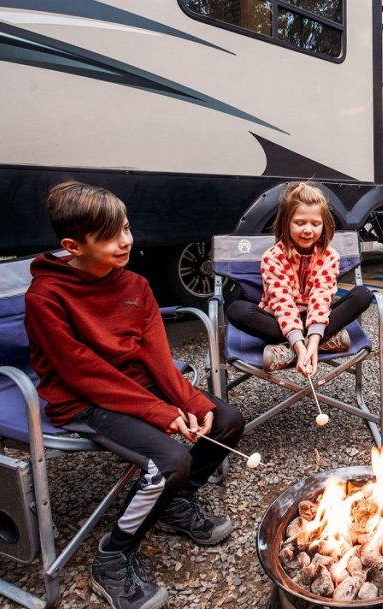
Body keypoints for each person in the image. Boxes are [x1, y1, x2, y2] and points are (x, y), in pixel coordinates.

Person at [25, 181, 245, 609]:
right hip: (82, 401)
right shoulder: (45, 297)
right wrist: (159, 411)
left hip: (137, 388)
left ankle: (174, 503)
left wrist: (192, 403)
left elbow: (157, 357)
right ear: (73, 246)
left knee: (227, 420)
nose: (125, 241)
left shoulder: (135, 285)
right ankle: (113, 556)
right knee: (170, 460)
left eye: (125, 228)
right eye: (110, 236)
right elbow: (83, 374)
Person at [226, 182, 372, 376]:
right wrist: (301, 347)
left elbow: (321, 299)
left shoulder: (329, 256)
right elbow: (282, 304)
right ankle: (320, 343)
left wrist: (312, 341)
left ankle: (288, 351)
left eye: (315, 224)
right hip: (279, 321)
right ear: (286, 223)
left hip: (316, 318)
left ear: (324, 225)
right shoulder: (273, 257)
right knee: (237, 310)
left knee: (363, 295)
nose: (308, 230)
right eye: (300, 223)